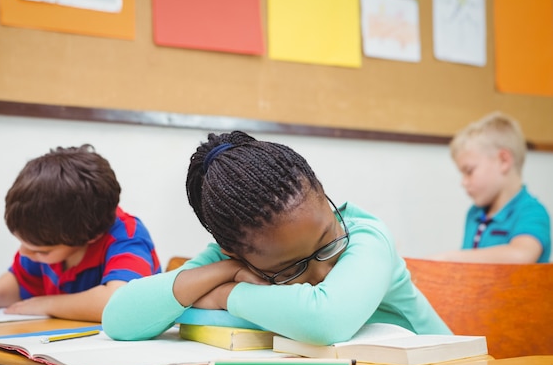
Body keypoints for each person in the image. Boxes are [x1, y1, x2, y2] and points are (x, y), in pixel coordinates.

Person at [102, 130, 451, 349]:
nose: (321, 274)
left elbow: (326, 320)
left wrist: (225, 294)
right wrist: (219, 273)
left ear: (326, 198)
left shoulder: (365, 234)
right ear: (233, 253)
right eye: (290, 269)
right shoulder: (229, 260)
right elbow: (119, 319)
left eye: (328, 243)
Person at [0, 144, 161, 365]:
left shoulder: (128, 236)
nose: (25, 253)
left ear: (91, 237)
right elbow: (19, 281)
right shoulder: (49, 238)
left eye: (40, 251)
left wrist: (47, 303)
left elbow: (118, 301)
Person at [431, 112, 550, 263]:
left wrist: (450, 258)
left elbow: (522, 255)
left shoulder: (531, 212)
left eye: (469, 171)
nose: (463, 182)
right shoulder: (474, 214)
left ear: (503, 161)